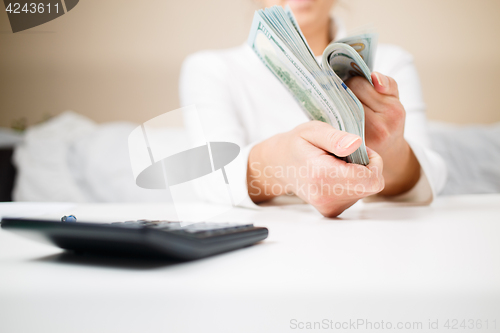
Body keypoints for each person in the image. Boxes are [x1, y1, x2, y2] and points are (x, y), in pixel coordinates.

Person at [179, 0, 447, 217]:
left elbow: (432, 177)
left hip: (373, 239)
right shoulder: (210, 69)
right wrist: (281, 161)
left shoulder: (391, 61)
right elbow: (211, 177)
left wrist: (390, 148)